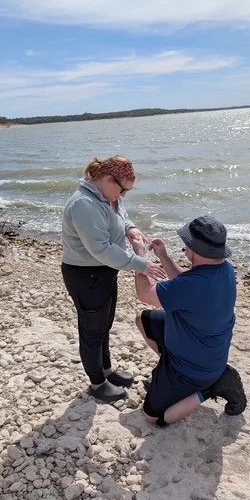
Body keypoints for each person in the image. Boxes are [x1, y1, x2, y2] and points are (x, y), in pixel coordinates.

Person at [61, 155, 165, 404]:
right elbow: (101, 249)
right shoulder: (84, 204)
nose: (124, 195)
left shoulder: (109, 197)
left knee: (104, 323)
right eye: (123, 189)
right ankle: (97, 383)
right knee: (91, 329)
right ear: (108, 179)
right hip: (87, 273)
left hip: (105, 270)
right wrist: (142, 264)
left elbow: (122, 215)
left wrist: (131, 228)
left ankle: (106, 371)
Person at [131, 215, 247, 426]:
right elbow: (185, 281)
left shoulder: (192, 286)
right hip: (204, 348)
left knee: (154, 416)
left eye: (186, 246)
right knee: (143, 319)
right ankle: (171, 369)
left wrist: (139, 257)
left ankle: (212, 387)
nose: (184, 249)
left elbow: (144, 293)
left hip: (193, 369)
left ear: (197, 250)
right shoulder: (224, 269)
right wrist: (163, 256)